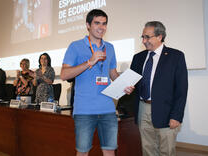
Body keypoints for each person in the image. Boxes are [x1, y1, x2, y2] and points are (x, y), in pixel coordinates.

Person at [60, 9, 134, 156]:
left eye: (104, 23)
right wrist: (90, 62)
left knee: (109, 150)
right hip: (84, 110)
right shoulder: (75, 46)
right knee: (83, 151)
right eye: (97, 23)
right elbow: (64, 74)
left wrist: (123, 85)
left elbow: (112, 73)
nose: (101, 27)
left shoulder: (110, 48)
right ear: (88, 25)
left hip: (107, 108)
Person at [130, 21, 188, 156]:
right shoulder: (138, 58)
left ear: (160, 36)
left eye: (147, 37)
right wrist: (127, 88)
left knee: (166, 151)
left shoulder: (176, 56)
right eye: (142, 37)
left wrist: (176, 116)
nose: (144, 41)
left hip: (166, 111)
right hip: (143, 108)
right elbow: (132, 83)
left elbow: (181, 90)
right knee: (147, 149)